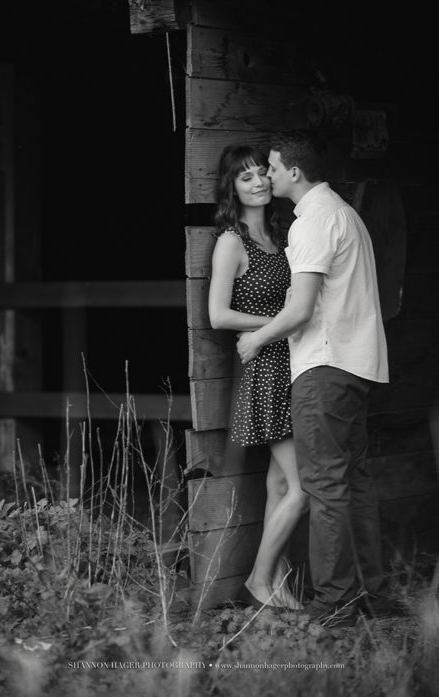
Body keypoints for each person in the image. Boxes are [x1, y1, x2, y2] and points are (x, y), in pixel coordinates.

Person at [237, 130, 391, 626]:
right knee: (355, 481)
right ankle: (373, 593)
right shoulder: (345, 214)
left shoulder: (313, 222)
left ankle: (332, 604)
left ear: (294, 172)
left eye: (273, 168)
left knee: (324, 486)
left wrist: (257, 338)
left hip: (323, 367)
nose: (268, 175)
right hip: (355, 365)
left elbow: (300, 309)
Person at [208, 145, 308, 610]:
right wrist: (275, 322)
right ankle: (258, 580)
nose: (259, 183)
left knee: (279, 484)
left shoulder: (281, 234)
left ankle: (278, 582)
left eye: (261, 174)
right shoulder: (232, 241)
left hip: (295, 358)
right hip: (266, 365)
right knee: (302, 485)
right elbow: (218, 316)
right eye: (245, 178)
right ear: (232, 188)